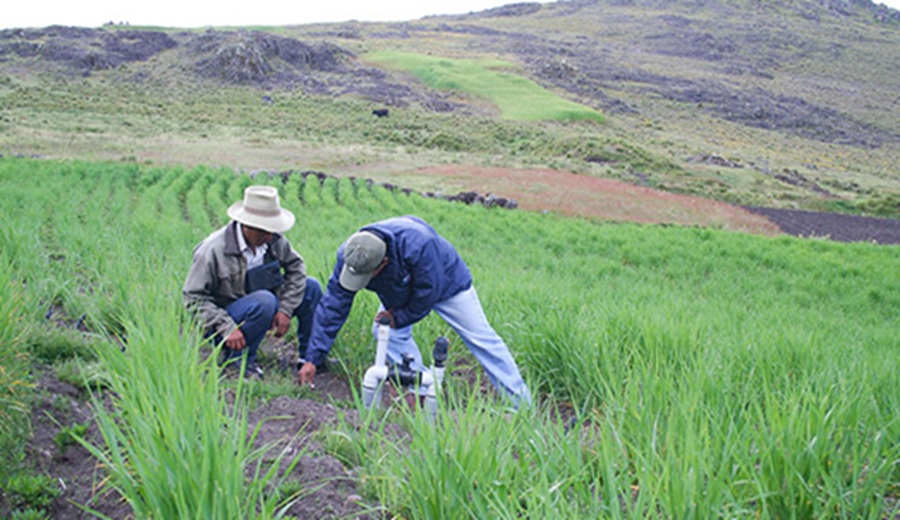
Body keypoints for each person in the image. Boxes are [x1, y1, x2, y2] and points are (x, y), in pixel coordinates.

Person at [298, 215, 531, 407]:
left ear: (383, 263)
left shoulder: (419, 245)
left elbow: (427, 294)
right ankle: (422, 390)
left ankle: (521, 404)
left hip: (447, 284)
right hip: (399, 286)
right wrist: (313, 358)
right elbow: (333, 305)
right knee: (384, 332)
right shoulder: (353, 254)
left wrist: (398, 317)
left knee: (481, 338)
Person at [183, 185, 322, 378]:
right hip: (226, 321)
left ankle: (310, 358)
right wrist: (226, 326)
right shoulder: (212, 250)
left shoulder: (272, 240)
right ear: (247, 225)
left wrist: (285, 309)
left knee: (311, 287)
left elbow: (296, 268)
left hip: (263, 305)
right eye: (265, 231)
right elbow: (193, 298)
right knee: (265, 300)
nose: (270, 236)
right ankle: (238, 361)